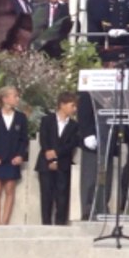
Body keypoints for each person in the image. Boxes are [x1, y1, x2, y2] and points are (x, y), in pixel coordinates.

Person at [0, 85, 29, 225]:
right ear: (5, 98)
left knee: (10, 189)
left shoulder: (21, 118)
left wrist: (20, 155)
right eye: (14, 95)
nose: (17, 98)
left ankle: (5, 222)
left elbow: (23, 139)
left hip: (13, 159)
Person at [36, 92, 80, 226]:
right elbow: (44, 139)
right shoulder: (47, 120)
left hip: (63, 163)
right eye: (72, 105)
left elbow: (71, 143)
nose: (74, 109)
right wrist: (50, 156)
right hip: (46, 162)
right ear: (62, 105)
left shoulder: (74, 125)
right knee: (46, 195)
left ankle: (60, 223)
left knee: (62, 196)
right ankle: (46, 223)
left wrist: (56, 154)